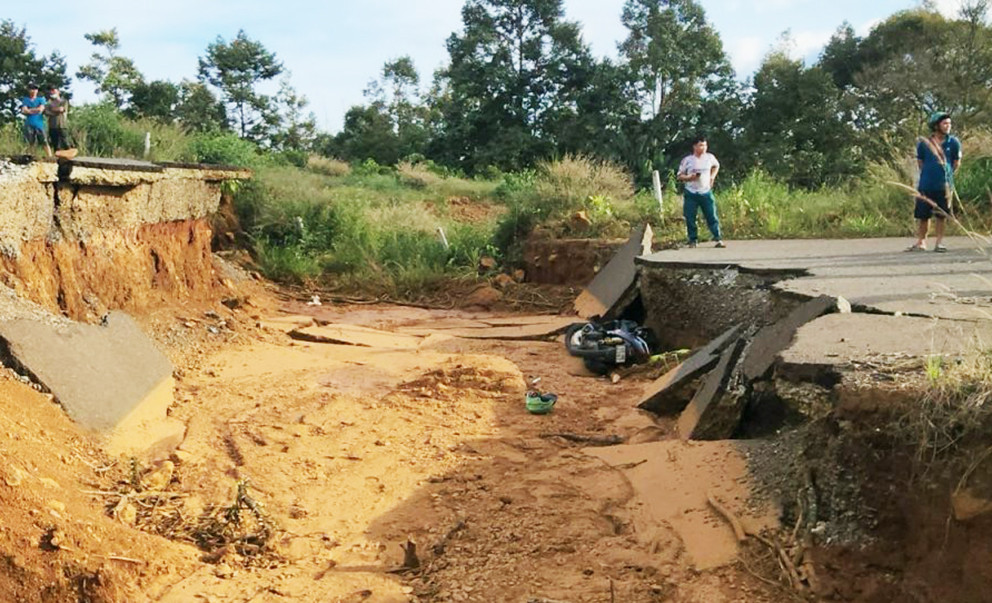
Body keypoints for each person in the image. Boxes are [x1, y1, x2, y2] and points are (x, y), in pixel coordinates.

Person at [910, 111, 961, 253]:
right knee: (923, 216)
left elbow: (956, 162)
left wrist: (947, 175)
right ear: (936, 125)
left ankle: (939, 242)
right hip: (926, 184)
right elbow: (920, 162)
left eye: (949, 123)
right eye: (945, 123)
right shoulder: (924, 143)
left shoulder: (953, 142)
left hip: (944, 185)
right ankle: (921, 242)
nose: (948, 126)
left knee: (941, 215)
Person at [677, 134, 724, 248]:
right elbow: (679, 175)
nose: (703, 148)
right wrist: (689, 177)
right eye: (700, 145)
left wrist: (712, 177)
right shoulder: (687, 160)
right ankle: (693, 240)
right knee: (690, 217)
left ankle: (718, 238)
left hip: (705, 191)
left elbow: (716, 166)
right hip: (691, 192)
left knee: (711, 215)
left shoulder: (710, 158)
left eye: (705, 145)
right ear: (694, 146)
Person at [19, 82, 51, 156]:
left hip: (40, 124)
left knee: (44, 141)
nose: (34, 91)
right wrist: (34, 110)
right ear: (28, 90)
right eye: (32, 89)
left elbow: (40, 110)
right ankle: (30, 156)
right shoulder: (26, 99)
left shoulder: (41, 99)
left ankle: (49, 156)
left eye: (35, 89)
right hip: (29, 124)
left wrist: (29, 110)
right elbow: (24, 110)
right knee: (30, 142)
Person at [44, 85, 73, 157]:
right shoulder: (48, 103)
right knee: (55, 145)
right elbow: (46, 112)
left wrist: (52, 110)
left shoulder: (64, 101)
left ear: (58, 91)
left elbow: (61, 109)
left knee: (66, 143)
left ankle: (69, 157)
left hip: (62, 125)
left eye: (53, 90)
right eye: (51, 90)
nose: (52, 92)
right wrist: (55, 111)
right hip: (52, 126)